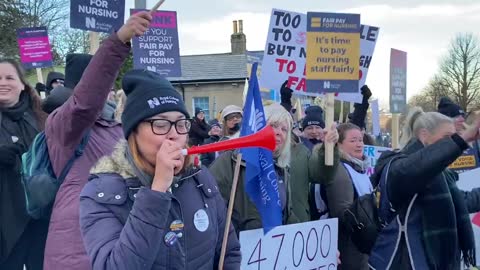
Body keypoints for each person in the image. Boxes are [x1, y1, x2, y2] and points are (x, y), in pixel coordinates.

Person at [79, 68, 241, 269]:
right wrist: (157, 190)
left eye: (181, 124)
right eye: (161, 124)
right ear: (134, 132)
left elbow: (229, 250)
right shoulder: (101, 194)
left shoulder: (200, 178)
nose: (174, 135)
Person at [42, 12, 134, 270]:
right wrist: (117, 43)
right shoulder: (64, 124)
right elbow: (85, 103)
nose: (109, 87)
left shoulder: (115, 126)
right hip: (77, 244)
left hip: (112, 235)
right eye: (105, 80)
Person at [369, 107, 478, 270]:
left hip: (435, 261)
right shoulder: (397, 166)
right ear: (424, 135)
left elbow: (464, 201)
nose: (450, 143)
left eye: (452, 137)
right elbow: (417, 168)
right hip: (407, 260)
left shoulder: (440, 174)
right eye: (447, 137)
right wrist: (462, 140)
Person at [210, 103, 338, 233]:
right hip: (242, 249)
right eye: (273, 126)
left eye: (284, 129)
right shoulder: (230, 162)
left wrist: (311, 244)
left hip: (274, 248)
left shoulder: (281, 168)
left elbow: (286, 216)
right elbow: (213, 212)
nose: (278, 132)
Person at [0, 59, 48, 269]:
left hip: (40, 216)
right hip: (5, 221)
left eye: (9, 77)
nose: (3, 82)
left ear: (22, 84)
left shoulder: (42, 118)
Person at [324, 123, 371, 270]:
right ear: (339, 144)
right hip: (348, 248)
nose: (359, 144)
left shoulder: (359, 168)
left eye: (360, 140)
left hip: (361, 245)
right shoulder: (340, 170)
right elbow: (342, 213)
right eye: (353, 141)